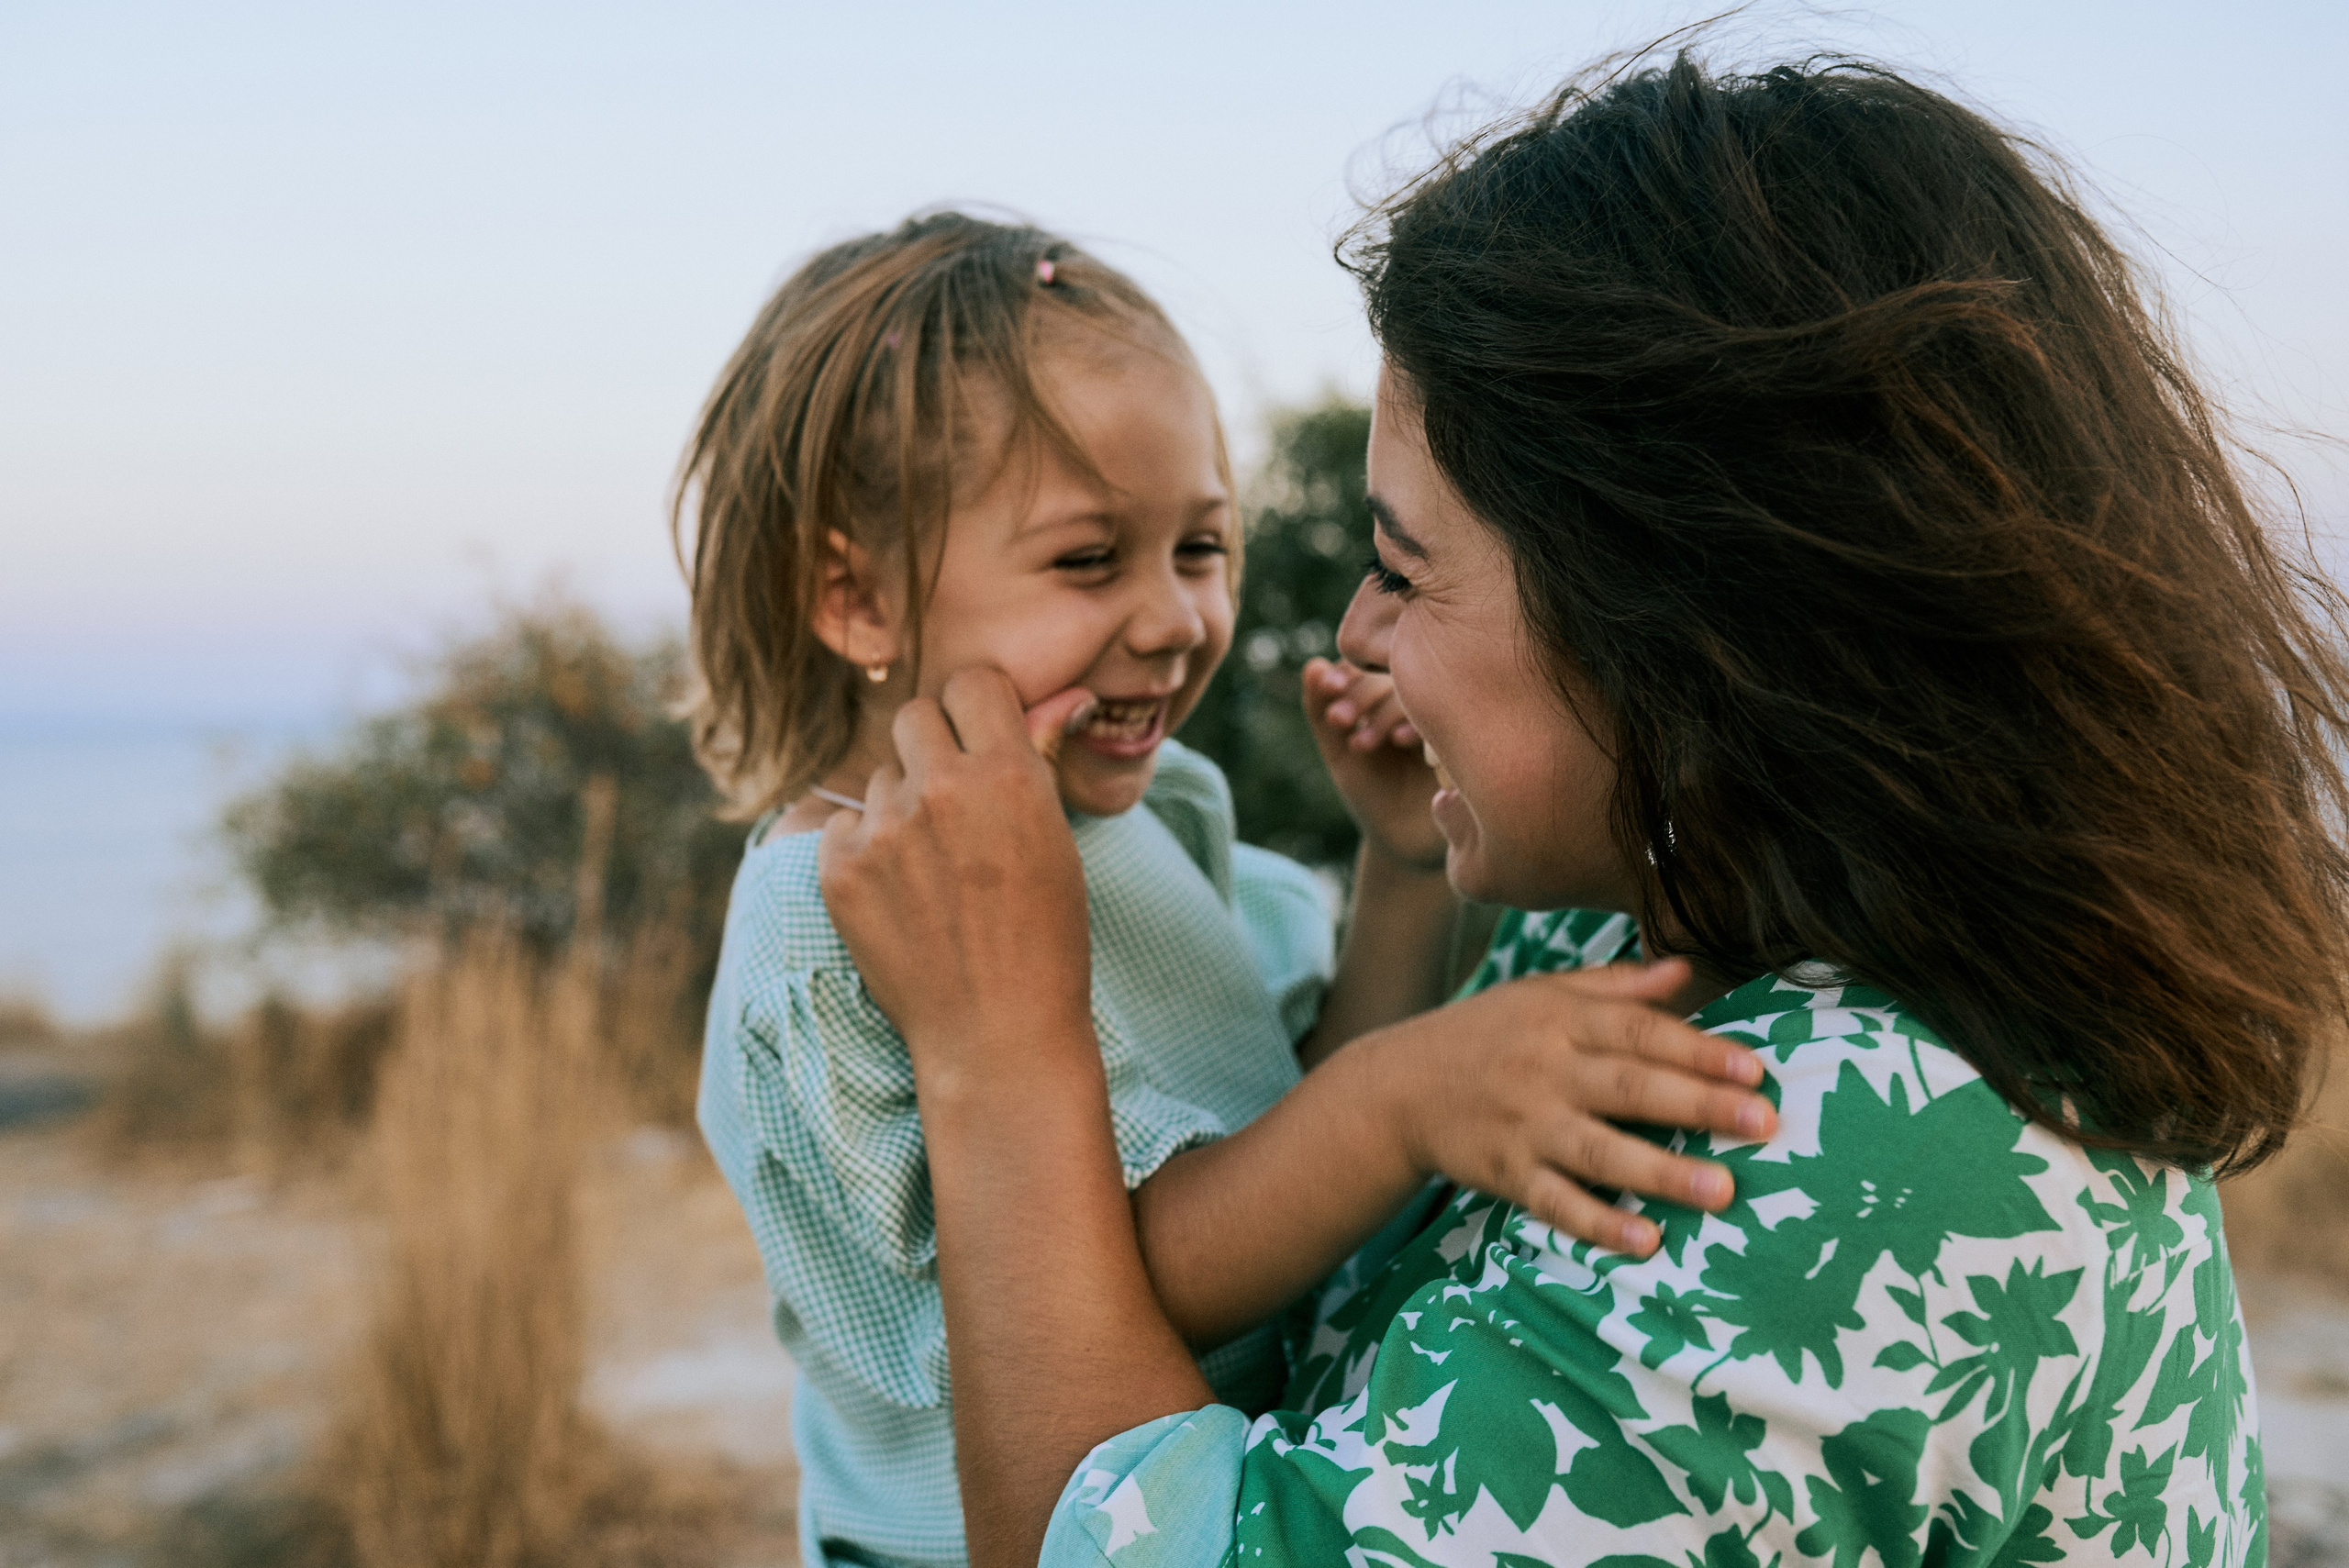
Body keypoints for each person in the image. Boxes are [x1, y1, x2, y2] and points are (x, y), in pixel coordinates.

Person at [818, 59, 2349, 1568]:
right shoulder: (1645, 919)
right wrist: (1406, 884)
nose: (1355, 633)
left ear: (1665, 622)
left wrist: (997, 1056)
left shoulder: (1839, 1160)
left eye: (1407, 568)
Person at [674, 211, 1776, 1568]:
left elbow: (1282, 1113)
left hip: (1202, 1488)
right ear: (854, 598)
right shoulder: (824, 927)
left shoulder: (1155, 807)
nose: (1176, 617)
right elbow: (1111, 1270)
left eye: (1199, 548)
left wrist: (1402, 868)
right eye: (1089, 559)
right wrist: (1413, 1098)